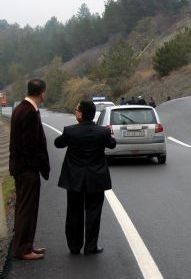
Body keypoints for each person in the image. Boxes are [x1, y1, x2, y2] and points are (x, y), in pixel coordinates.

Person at [54, 101, 116, 254]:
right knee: (93, 212)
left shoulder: (70, 131)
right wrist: (110, 133)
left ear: (81, 114)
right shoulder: (103, 132)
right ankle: (91, 246)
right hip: (96, 178)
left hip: (74, 178)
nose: (75, 112)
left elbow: (58, 144)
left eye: (76, 110)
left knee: (74, 212)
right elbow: (112, 145)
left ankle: (74, 246)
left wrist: (66, 137)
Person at [9, 79, 50, 260]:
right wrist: (38, 166)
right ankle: (23, 250)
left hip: (20, 167)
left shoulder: (20, 108)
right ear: (42, 93)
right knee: (27, 209)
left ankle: (26, 245)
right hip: (27, 169)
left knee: (23, 207)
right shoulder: (29, 112)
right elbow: (30, 145)